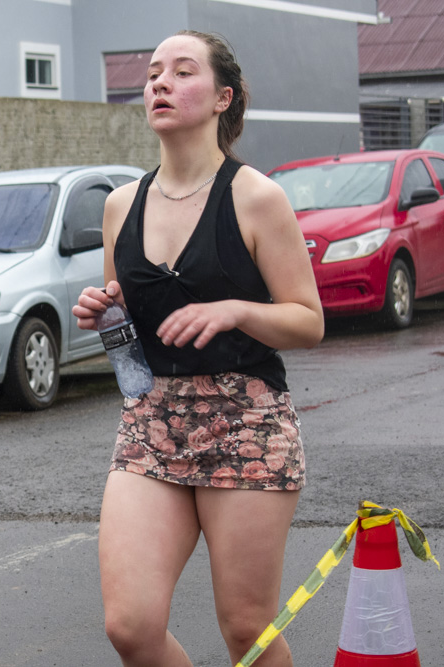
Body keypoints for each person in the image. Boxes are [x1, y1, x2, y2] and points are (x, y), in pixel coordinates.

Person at [71, 31, 324, 666]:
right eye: (153, 73)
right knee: (130, 625)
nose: (159, 83)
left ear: (221, 98)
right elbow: (125, 328)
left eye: (182, 72)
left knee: (247, 628)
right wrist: (105, 312)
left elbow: (308, 321)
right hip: (151, 421)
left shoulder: (257, 197)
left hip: (246, 421)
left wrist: (236, 309)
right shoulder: (120, 205)